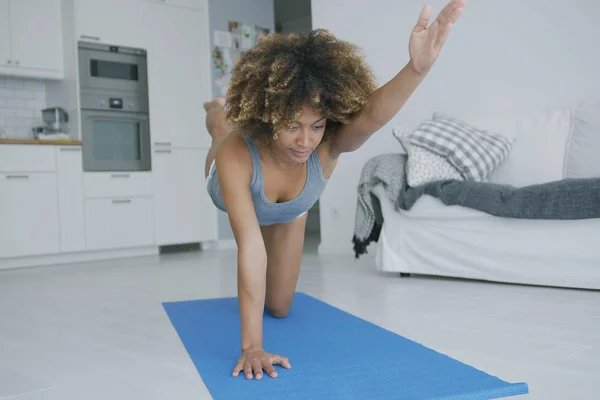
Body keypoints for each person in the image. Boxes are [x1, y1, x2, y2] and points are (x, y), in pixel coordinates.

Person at [203, 0, 466, 381]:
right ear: (268, 114)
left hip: (289, 211)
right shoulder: (236, 155)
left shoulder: (327, 146)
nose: (305, 140)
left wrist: (416, 69)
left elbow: (372, 114)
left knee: (279, 308)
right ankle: (216, 112)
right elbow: (251, 248)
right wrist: (252, 347)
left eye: (317, 125)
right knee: (224, 128)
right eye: (292, 125)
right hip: (234, 185)